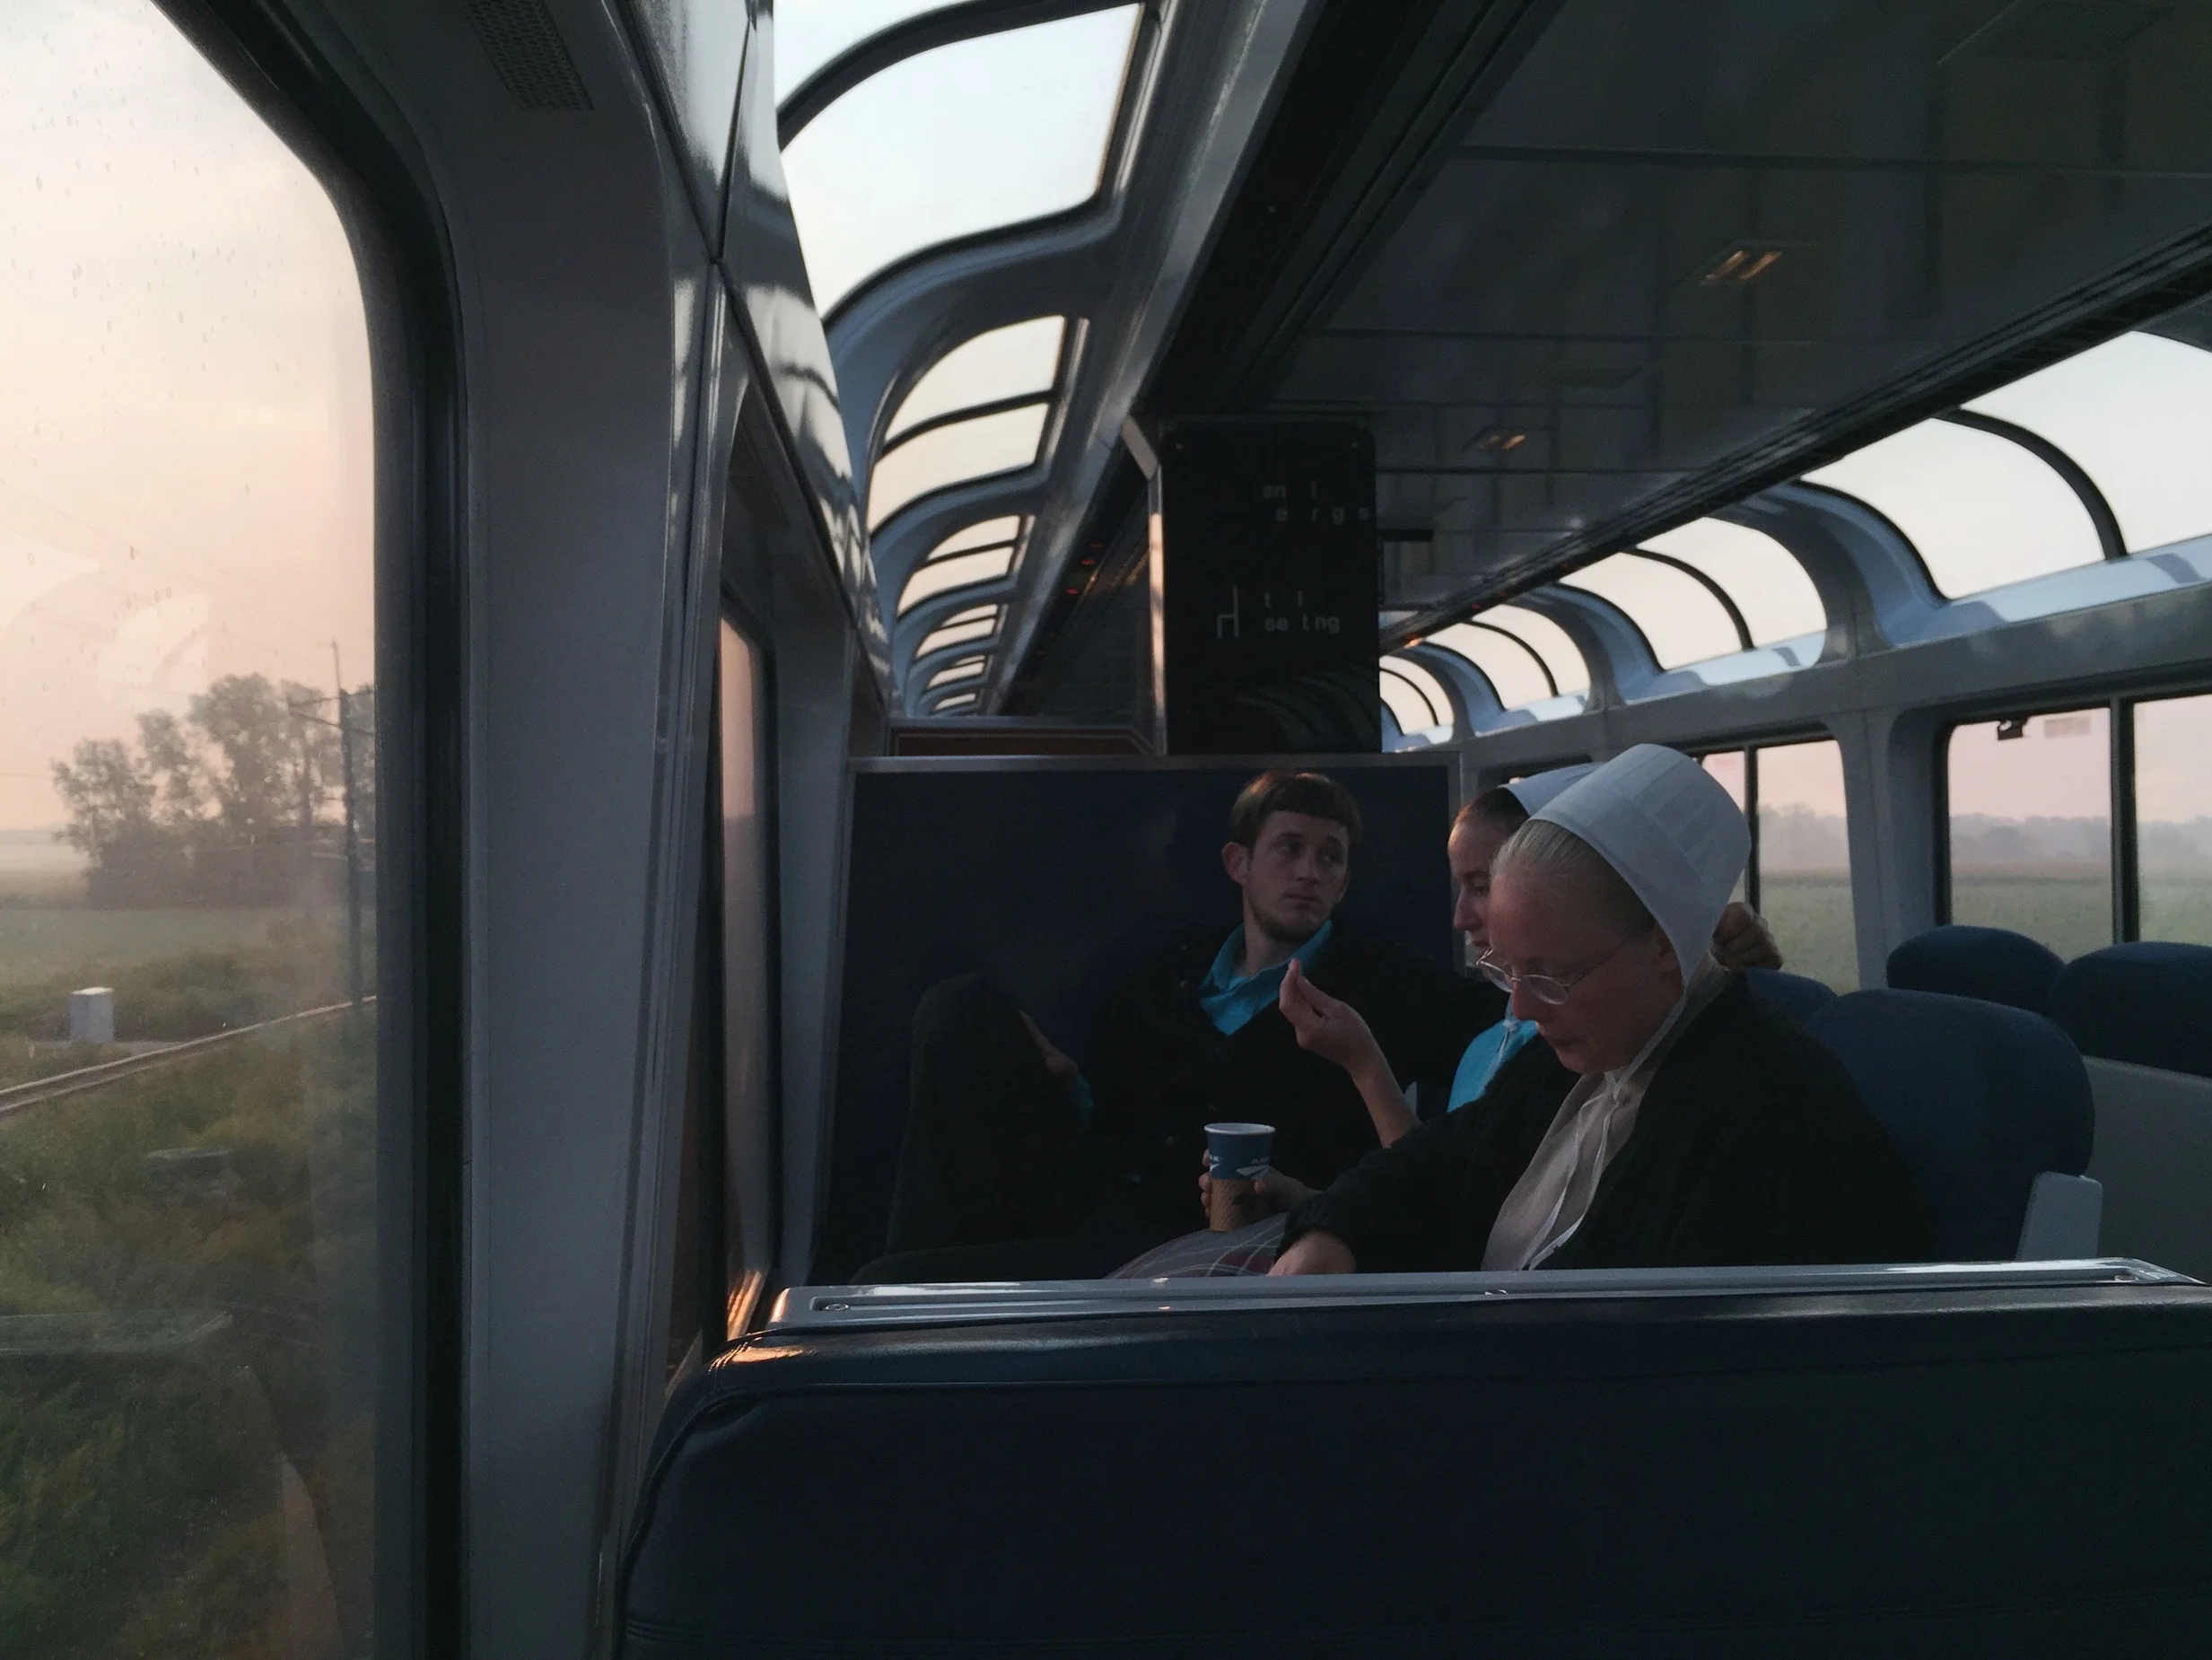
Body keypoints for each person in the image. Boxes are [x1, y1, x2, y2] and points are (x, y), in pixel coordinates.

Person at [1269, 746, 1928, 1276]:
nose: (1522, 1005)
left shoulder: (1770, 1120)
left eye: (1551, 974)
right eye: (1509, 970)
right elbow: (1439, 1161)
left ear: (1665, 945)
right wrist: (1331, 1234)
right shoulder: (1575, 1058)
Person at [873, 770, 1499, 1274]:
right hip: (1107, 1210)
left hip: (1230, 1244)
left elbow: (1510, 1038)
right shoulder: (1165, 976)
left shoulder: (1387, 984)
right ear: (1238, 864)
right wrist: (1065, 1089)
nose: (1309, 871)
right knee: (961, 1008)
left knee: (896, 1279)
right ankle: (909, 1285)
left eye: (1330, 858)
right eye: (1289, 848)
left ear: (1343, 885)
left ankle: (900, 1294)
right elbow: (1109, 1115)